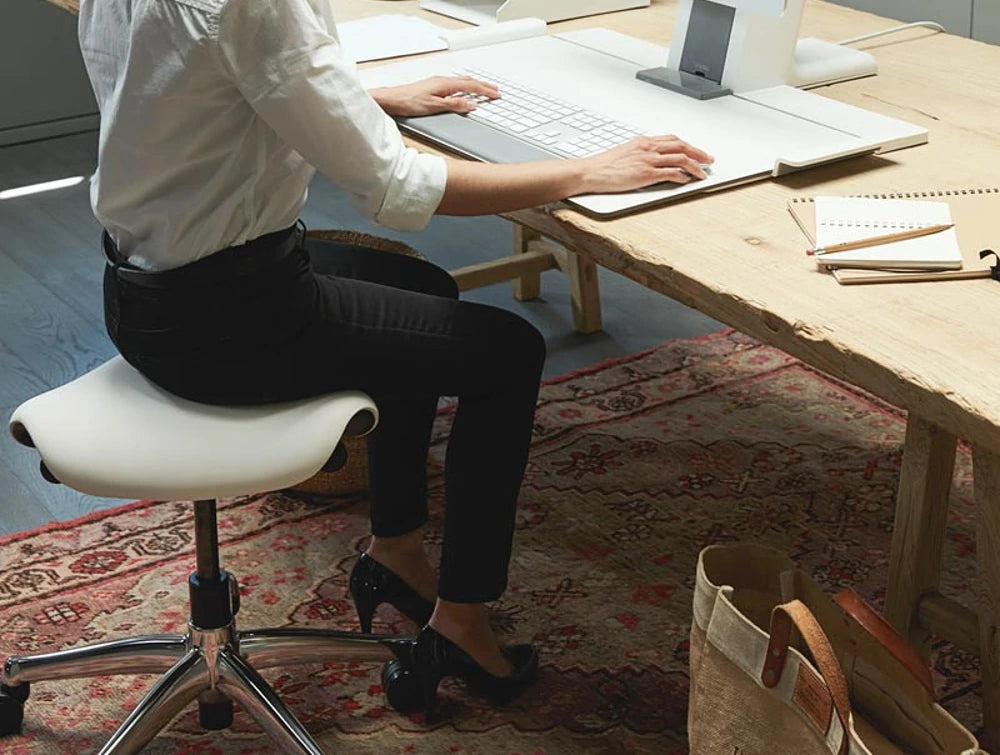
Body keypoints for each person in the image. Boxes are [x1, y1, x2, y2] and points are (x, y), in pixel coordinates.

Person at [79, 0, 713, 716]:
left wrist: (360, 101)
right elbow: (398, 187)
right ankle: (463, 624)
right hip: (232, 325)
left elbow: (185, 93)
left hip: (145, 293)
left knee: (423, 288)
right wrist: (586, 171)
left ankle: (396, 548)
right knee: (507, 350)